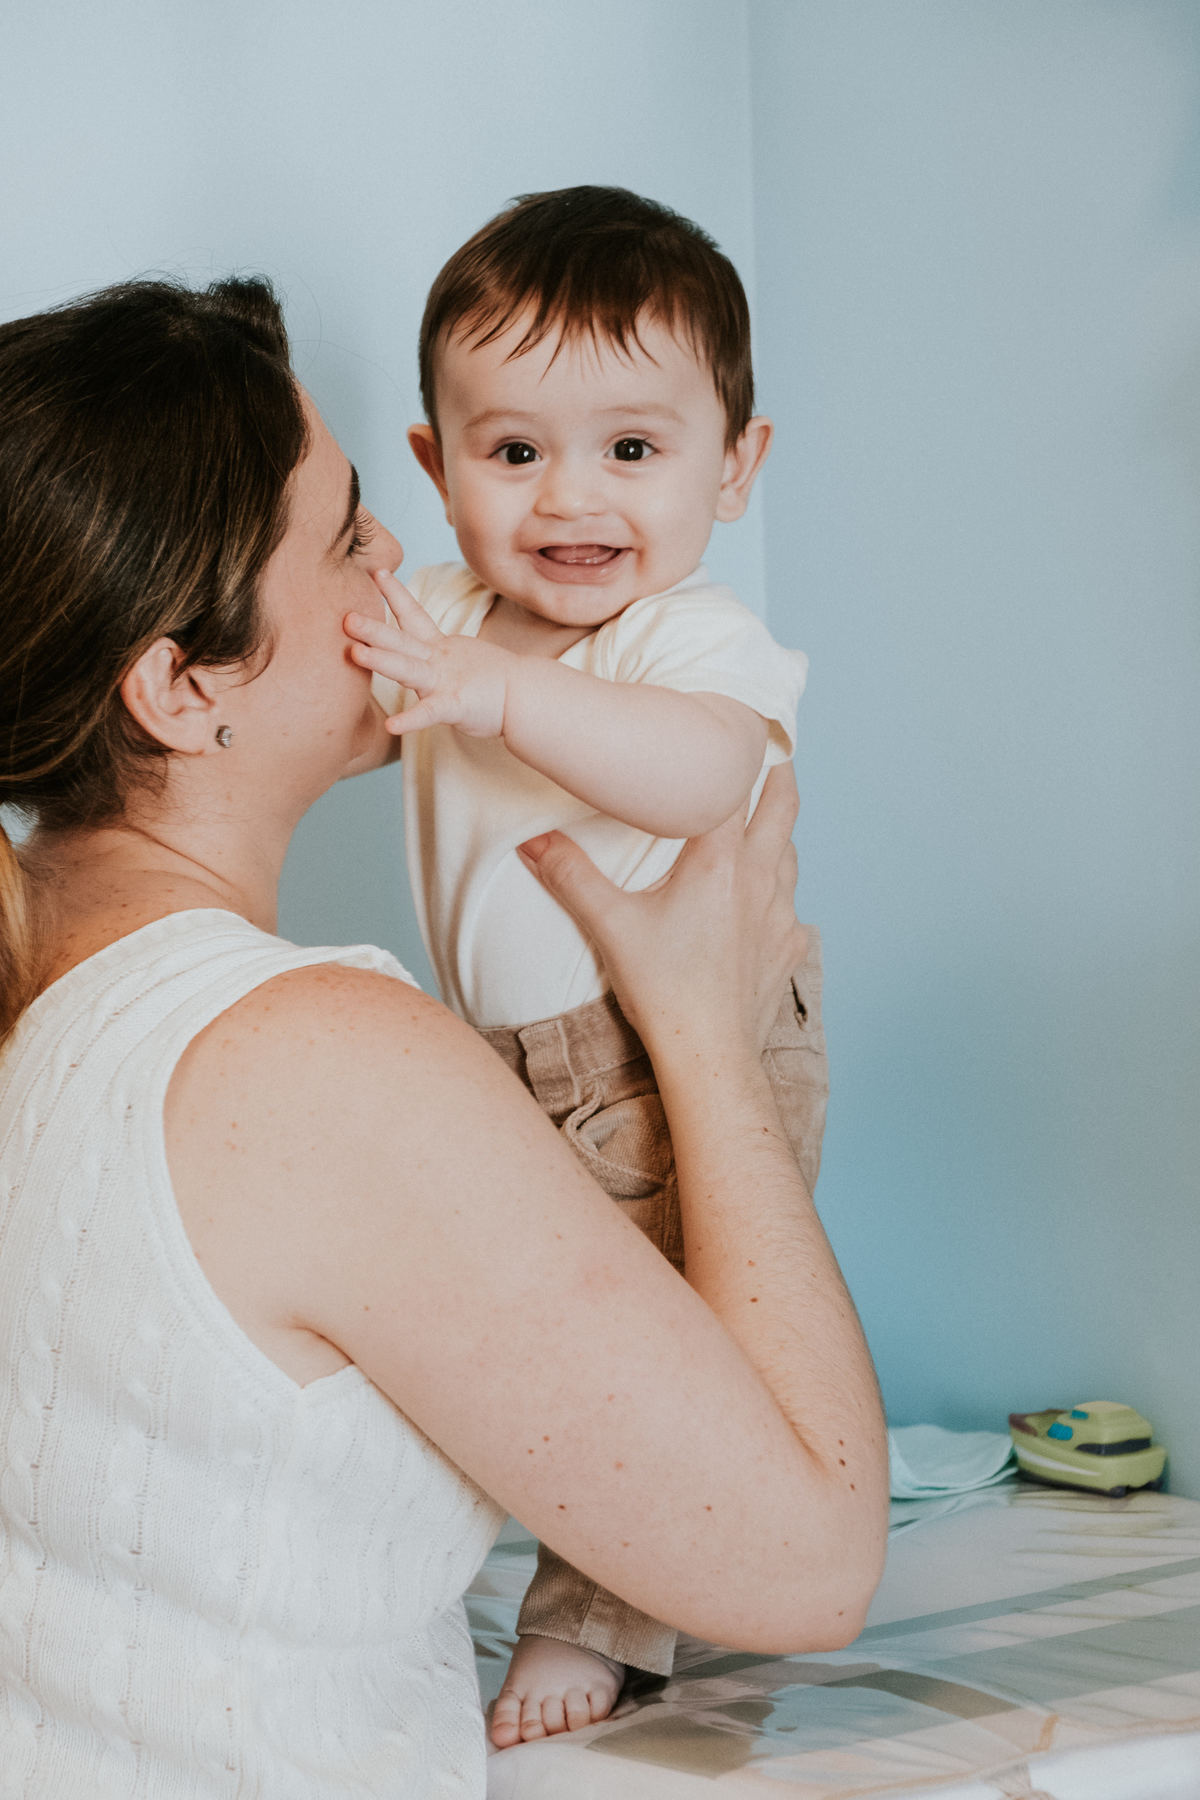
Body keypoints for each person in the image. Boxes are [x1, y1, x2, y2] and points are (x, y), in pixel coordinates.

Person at [0, 275, 887, 1799]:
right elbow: (811, 1562)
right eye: (350, 534)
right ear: (182, 688)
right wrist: (701, 1025)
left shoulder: (47, 1015)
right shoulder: (311, 1062)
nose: (402, 562)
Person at [343, 185, 830, 1739]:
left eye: (631, 448)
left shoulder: (688, 636)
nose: (571, 498)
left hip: (665, 1054)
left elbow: (699, 775)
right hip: (499, 1061)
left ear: (733, 467)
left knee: (662, 1344)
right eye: (512, 453)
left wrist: (495, 697)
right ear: (436, 466)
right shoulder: (445, 613)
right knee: (522, 1329)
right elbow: (344, 690)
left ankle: (598, 1623)